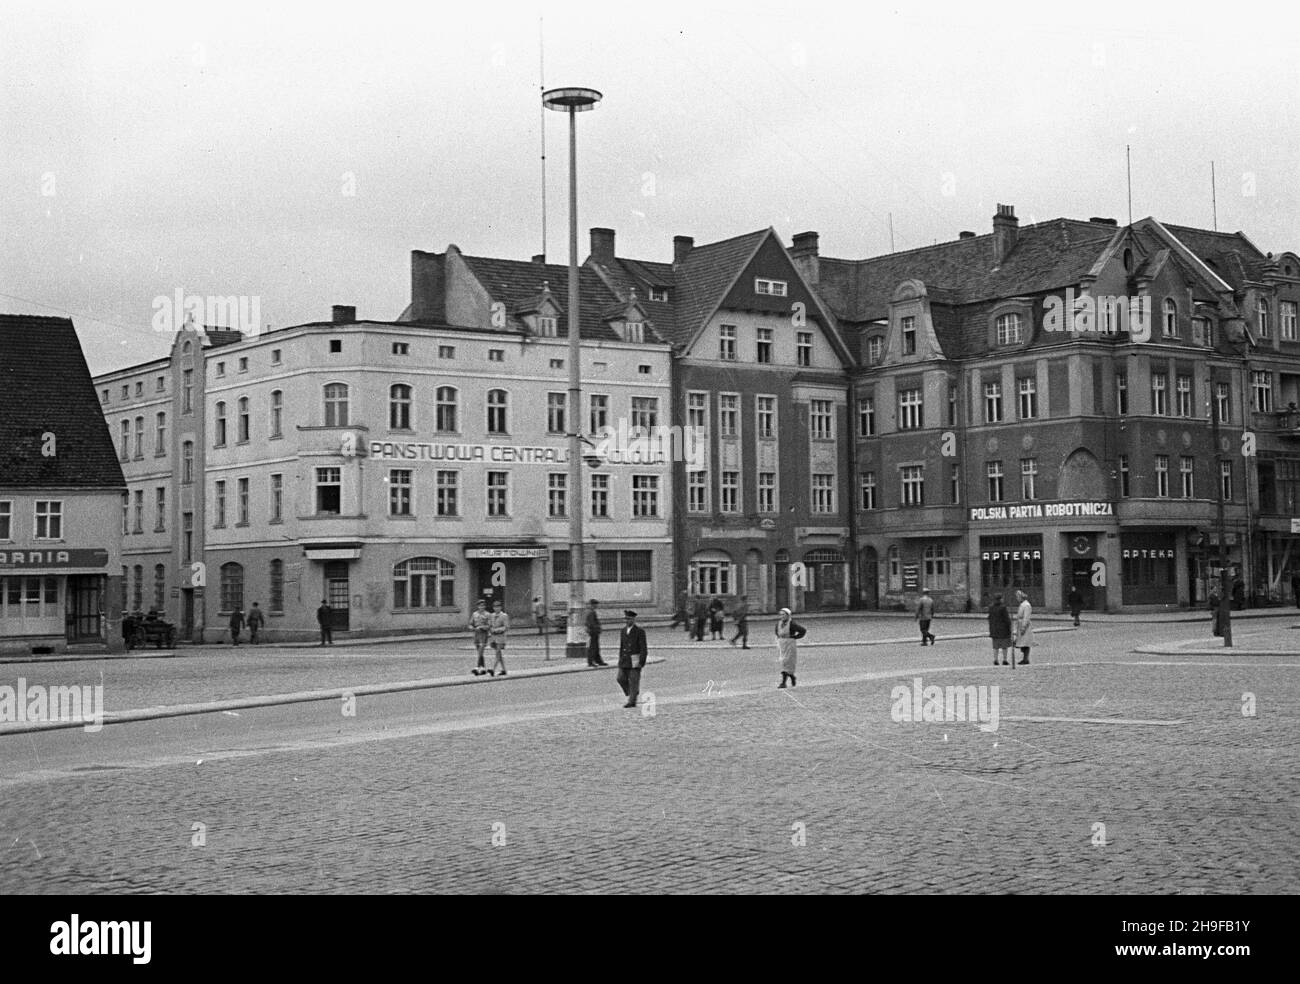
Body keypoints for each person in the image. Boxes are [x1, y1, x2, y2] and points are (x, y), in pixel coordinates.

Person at [617, 609, 648, 709]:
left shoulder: (639, 632)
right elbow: (622, 647)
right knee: (620, 678)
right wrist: (620, 660)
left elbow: (643, 648)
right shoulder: (623, 631)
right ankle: (632, 692)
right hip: (625, 660)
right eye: (626, 619)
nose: (627, 621)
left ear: (633, 620)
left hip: (635, 660)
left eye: (629, 619)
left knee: (634, 680)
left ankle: (632, 701)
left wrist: (641, 661)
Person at [774, 608, 807, 688]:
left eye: (784, 614)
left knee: (787, 662)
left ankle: (783, 682)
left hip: (790, 644)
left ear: (788, 615)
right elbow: (777, 632)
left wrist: (795, 637)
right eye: (781, 614)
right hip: (782, 644)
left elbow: (803, 630)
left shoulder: (792, 624)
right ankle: (792, 677)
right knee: (783, 661)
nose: (782, 616)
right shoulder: (778, 623)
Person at [988, 593, 1012, 666]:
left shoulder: (991, 607)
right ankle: (1004, 660)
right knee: (1004, 646)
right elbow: (1006, 619)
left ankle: (996, 659)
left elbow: (989, 618)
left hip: (994, 629)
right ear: (1001, 599)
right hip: (1003, 629)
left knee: (996, 646)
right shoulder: (1003, 607)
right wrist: (1009, 626)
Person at [487, 599, 509, 676]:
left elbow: (506, 627)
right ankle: (504, 670)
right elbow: (489, 625)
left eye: (498, 607)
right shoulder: (491, 615)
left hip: (501, 637)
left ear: (501, 608)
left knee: (497, 652)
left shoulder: (504, 616)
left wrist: (497, 630)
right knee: (499, 654)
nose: (497, 608)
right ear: (493, 608)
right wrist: (490, 630)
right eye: (495, 607)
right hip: (493, 637)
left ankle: (493, 669)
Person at [469, 598, 491, 675]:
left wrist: (482, 627)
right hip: (476, 634)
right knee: (479, 652)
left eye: (483, 605)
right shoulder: (474, 614)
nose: (481, 607)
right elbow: (470, 623)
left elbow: (489, 625)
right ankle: (483, 668)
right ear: (477, 606)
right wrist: (471, 627)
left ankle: (477, 667)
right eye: (480, 605)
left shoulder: (487, 614)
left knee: (481, 651)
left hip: (483, 634)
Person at [585, 598, 608, 667]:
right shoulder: (591, 612)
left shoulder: (590, 611)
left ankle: (598, 661)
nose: (596, 606)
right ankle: (591, 661)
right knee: (593, 647)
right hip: (593, 632)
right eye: (595, 604)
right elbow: (592, 623)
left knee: (596, 647)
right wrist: (597, 628)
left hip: (593, 631)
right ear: (592, 605)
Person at [1013, 590, 1033, 665]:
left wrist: (1023, 627)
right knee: (1022, 643)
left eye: (1018, 597)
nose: (1017, 598)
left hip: (1025, 626)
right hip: (1020, 625)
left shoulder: (1026, 605)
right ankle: (1024, 658)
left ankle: (1026, 659)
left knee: (1025, 643)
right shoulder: (1022, 604)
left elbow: (1026, 617)